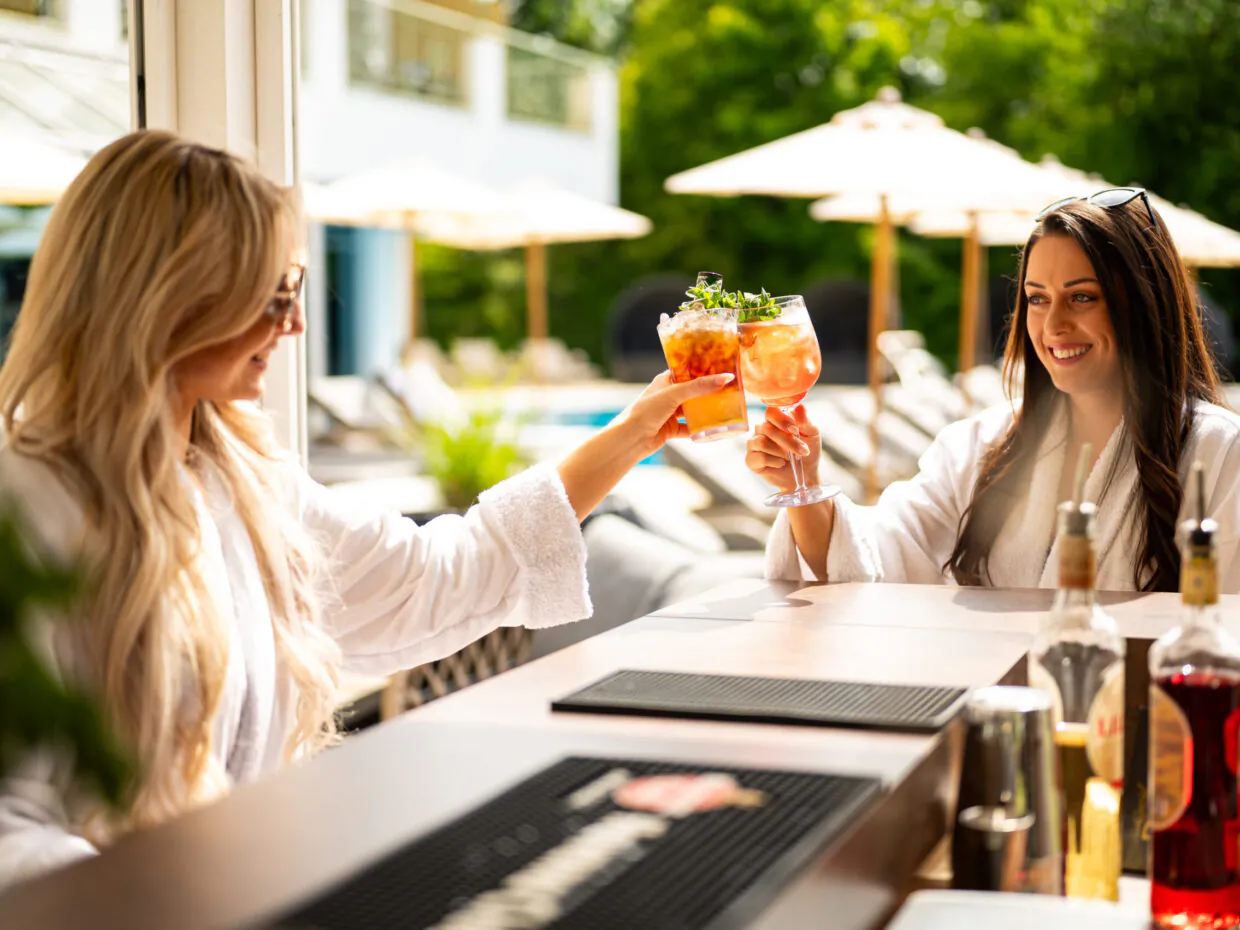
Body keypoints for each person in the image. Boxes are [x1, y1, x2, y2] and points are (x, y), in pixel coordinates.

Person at [0, 130, 734, 889]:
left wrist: (631, 435)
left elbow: (431, 577)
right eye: (275, 293)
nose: (296, 326)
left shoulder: (243, 483)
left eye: (296, 289)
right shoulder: (24, 512)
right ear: (165, 299)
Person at [748, 189, 1240, 591]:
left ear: (1144, 304)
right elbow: (875, 556)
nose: (1053, 325)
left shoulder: (1219, 454)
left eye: (1082, 297)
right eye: (1037, 299)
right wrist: (802, 485)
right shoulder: (982, 446)